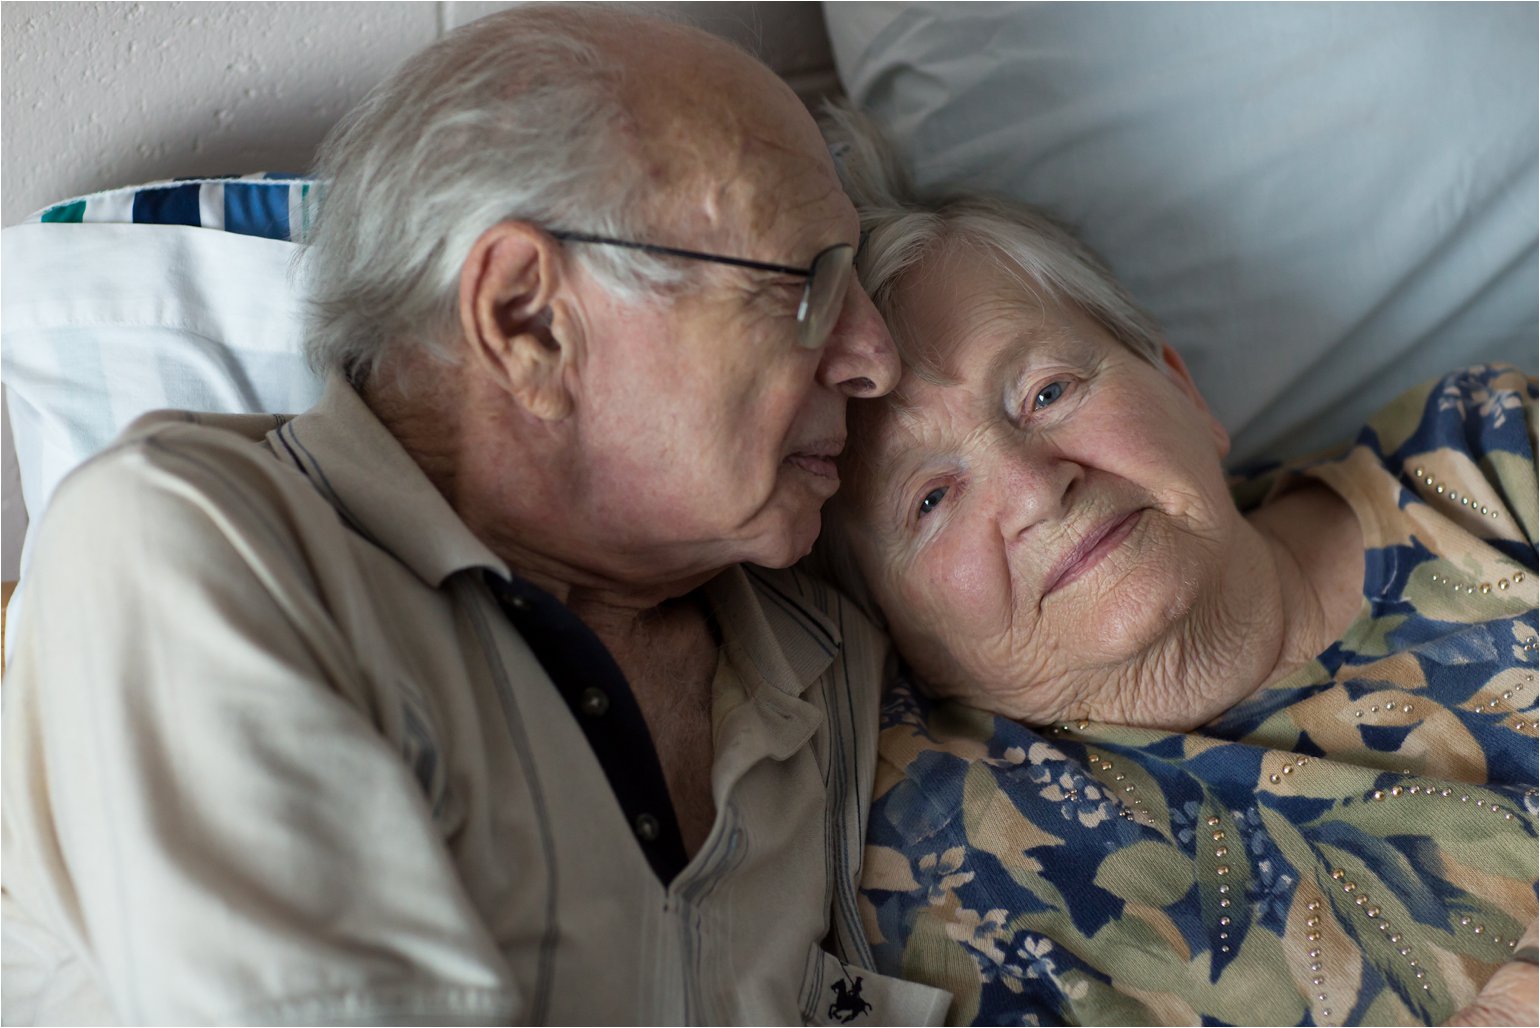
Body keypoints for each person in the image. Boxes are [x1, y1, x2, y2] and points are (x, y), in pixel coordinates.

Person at [0, 9, 957, 1025]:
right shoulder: (194, 549)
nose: (872, 359)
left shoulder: (823, 648)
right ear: (527, 321)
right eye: (807, 286)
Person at [818, 109, 1538, 1026]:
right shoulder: (945, 873)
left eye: (1046, 391)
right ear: (888, 614)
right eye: (930, 499)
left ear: (1183, 389)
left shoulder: (1489, 460)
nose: (1036, 490)